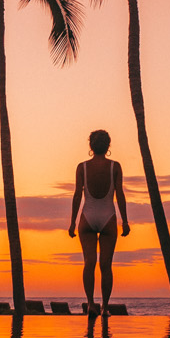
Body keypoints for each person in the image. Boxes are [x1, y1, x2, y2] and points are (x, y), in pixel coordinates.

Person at [66, 129, 130, 314]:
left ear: (90, 146)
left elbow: (78, 195)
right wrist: (125, 221)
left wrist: (72, 222)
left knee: (89, 263)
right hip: (108, 216)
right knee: (106, 265)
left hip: (87, 217)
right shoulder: (115, 166)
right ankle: (105, 307)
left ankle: (91, 304)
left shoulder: (82, 167)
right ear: (108, 146)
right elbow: (120, 194)